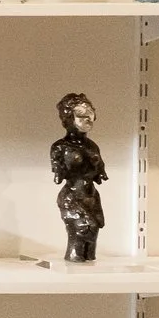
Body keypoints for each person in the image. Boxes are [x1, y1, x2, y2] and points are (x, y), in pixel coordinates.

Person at [49, 92, 107, 263]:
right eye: (81, 116)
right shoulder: (60, 147)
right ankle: (74, 263)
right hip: (72, 196)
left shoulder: (92, 146)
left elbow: (99, 173)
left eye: (90, 114)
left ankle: (89, 273)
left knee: (92, 235)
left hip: (91, 196)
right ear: (68, 119)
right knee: (82, 230)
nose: (88, 119)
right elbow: (59, 174)